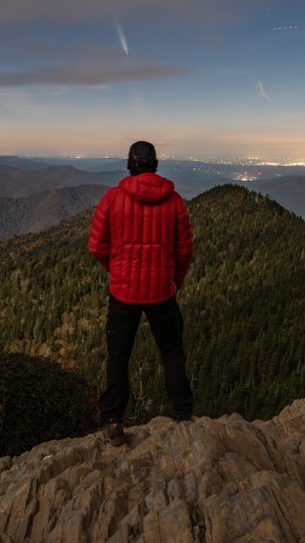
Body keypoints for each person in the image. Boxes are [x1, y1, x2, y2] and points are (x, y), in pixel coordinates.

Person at [88, 140, 194, 446]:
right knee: (171, 351)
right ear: (156, 164)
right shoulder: (174, 202)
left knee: (119, 356)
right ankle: (183, 414)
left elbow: (96, 246)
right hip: (162, 292)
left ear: (130, 164)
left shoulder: (112, 199)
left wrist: (115, 268)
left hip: (123, 294)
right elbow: (184, 250)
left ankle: (113, 422)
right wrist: (176, 280)